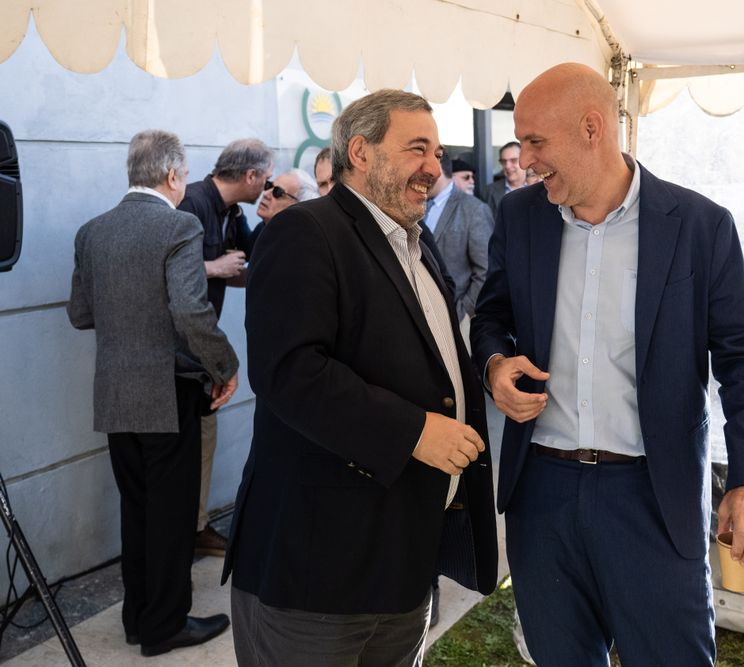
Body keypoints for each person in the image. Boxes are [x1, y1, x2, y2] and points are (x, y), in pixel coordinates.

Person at [471, 63, 744, 666]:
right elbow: (492, 316)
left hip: (652, 498)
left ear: (592, 128)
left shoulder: (700, 225)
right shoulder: (520, 216)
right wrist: (494, 364)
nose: (524, 159)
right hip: (542, 496)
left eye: (536, 141)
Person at [223, 89, 498, 666]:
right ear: (361, 152)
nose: (433, 167)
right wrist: (415, 432)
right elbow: (290, 372)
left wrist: (491, 371)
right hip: (317, 574)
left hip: (400, 565)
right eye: (417, 148)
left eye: (437, 152)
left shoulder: (417, 244)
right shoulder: (305, 231)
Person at [67, 129, 239, 657]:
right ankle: (164, 626)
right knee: (171, 514)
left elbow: (80, 314)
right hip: (167, 391)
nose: (185, 183)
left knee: (137, 510)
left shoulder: (92, 232)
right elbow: (190, 310)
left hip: (114, 392)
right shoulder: (179, 224)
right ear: (171, 175)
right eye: (184, 174)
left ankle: (139, 619)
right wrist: (225, 365)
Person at [178, 138, 274, 558]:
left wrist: (275, 222)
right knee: (189, 443)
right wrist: (215, 267)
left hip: (201, 348)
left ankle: (195, 526)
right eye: (267, 180)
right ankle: (185, 531)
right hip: (181, 349)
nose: (267, 188)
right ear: (250, 175)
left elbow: (254, 257)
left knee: (205, 435)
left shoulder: (232, 212)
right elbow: (166, 267)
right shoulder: (192, 203)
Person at [422, 152, 493, 324]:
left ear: (437, 168)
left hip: (458, 318)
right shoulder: (418, 206)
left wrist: (464, 311)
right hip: (423, 316)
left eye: (422, 168)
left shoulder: (474, 209)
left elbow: (486, 270)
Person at [247, 168, 320, 251]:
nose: (266, 194)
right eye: (269, 185)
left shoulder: (296, 247)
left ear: (298, 205)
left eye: (277, 192)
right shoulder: (263, 227)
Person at [483, 141, 525, 217]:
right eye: (503, 161)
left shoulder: (541, 188)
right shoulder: (489, 191)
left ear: (524, 160)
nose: (507, 166)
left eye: (513, 160)